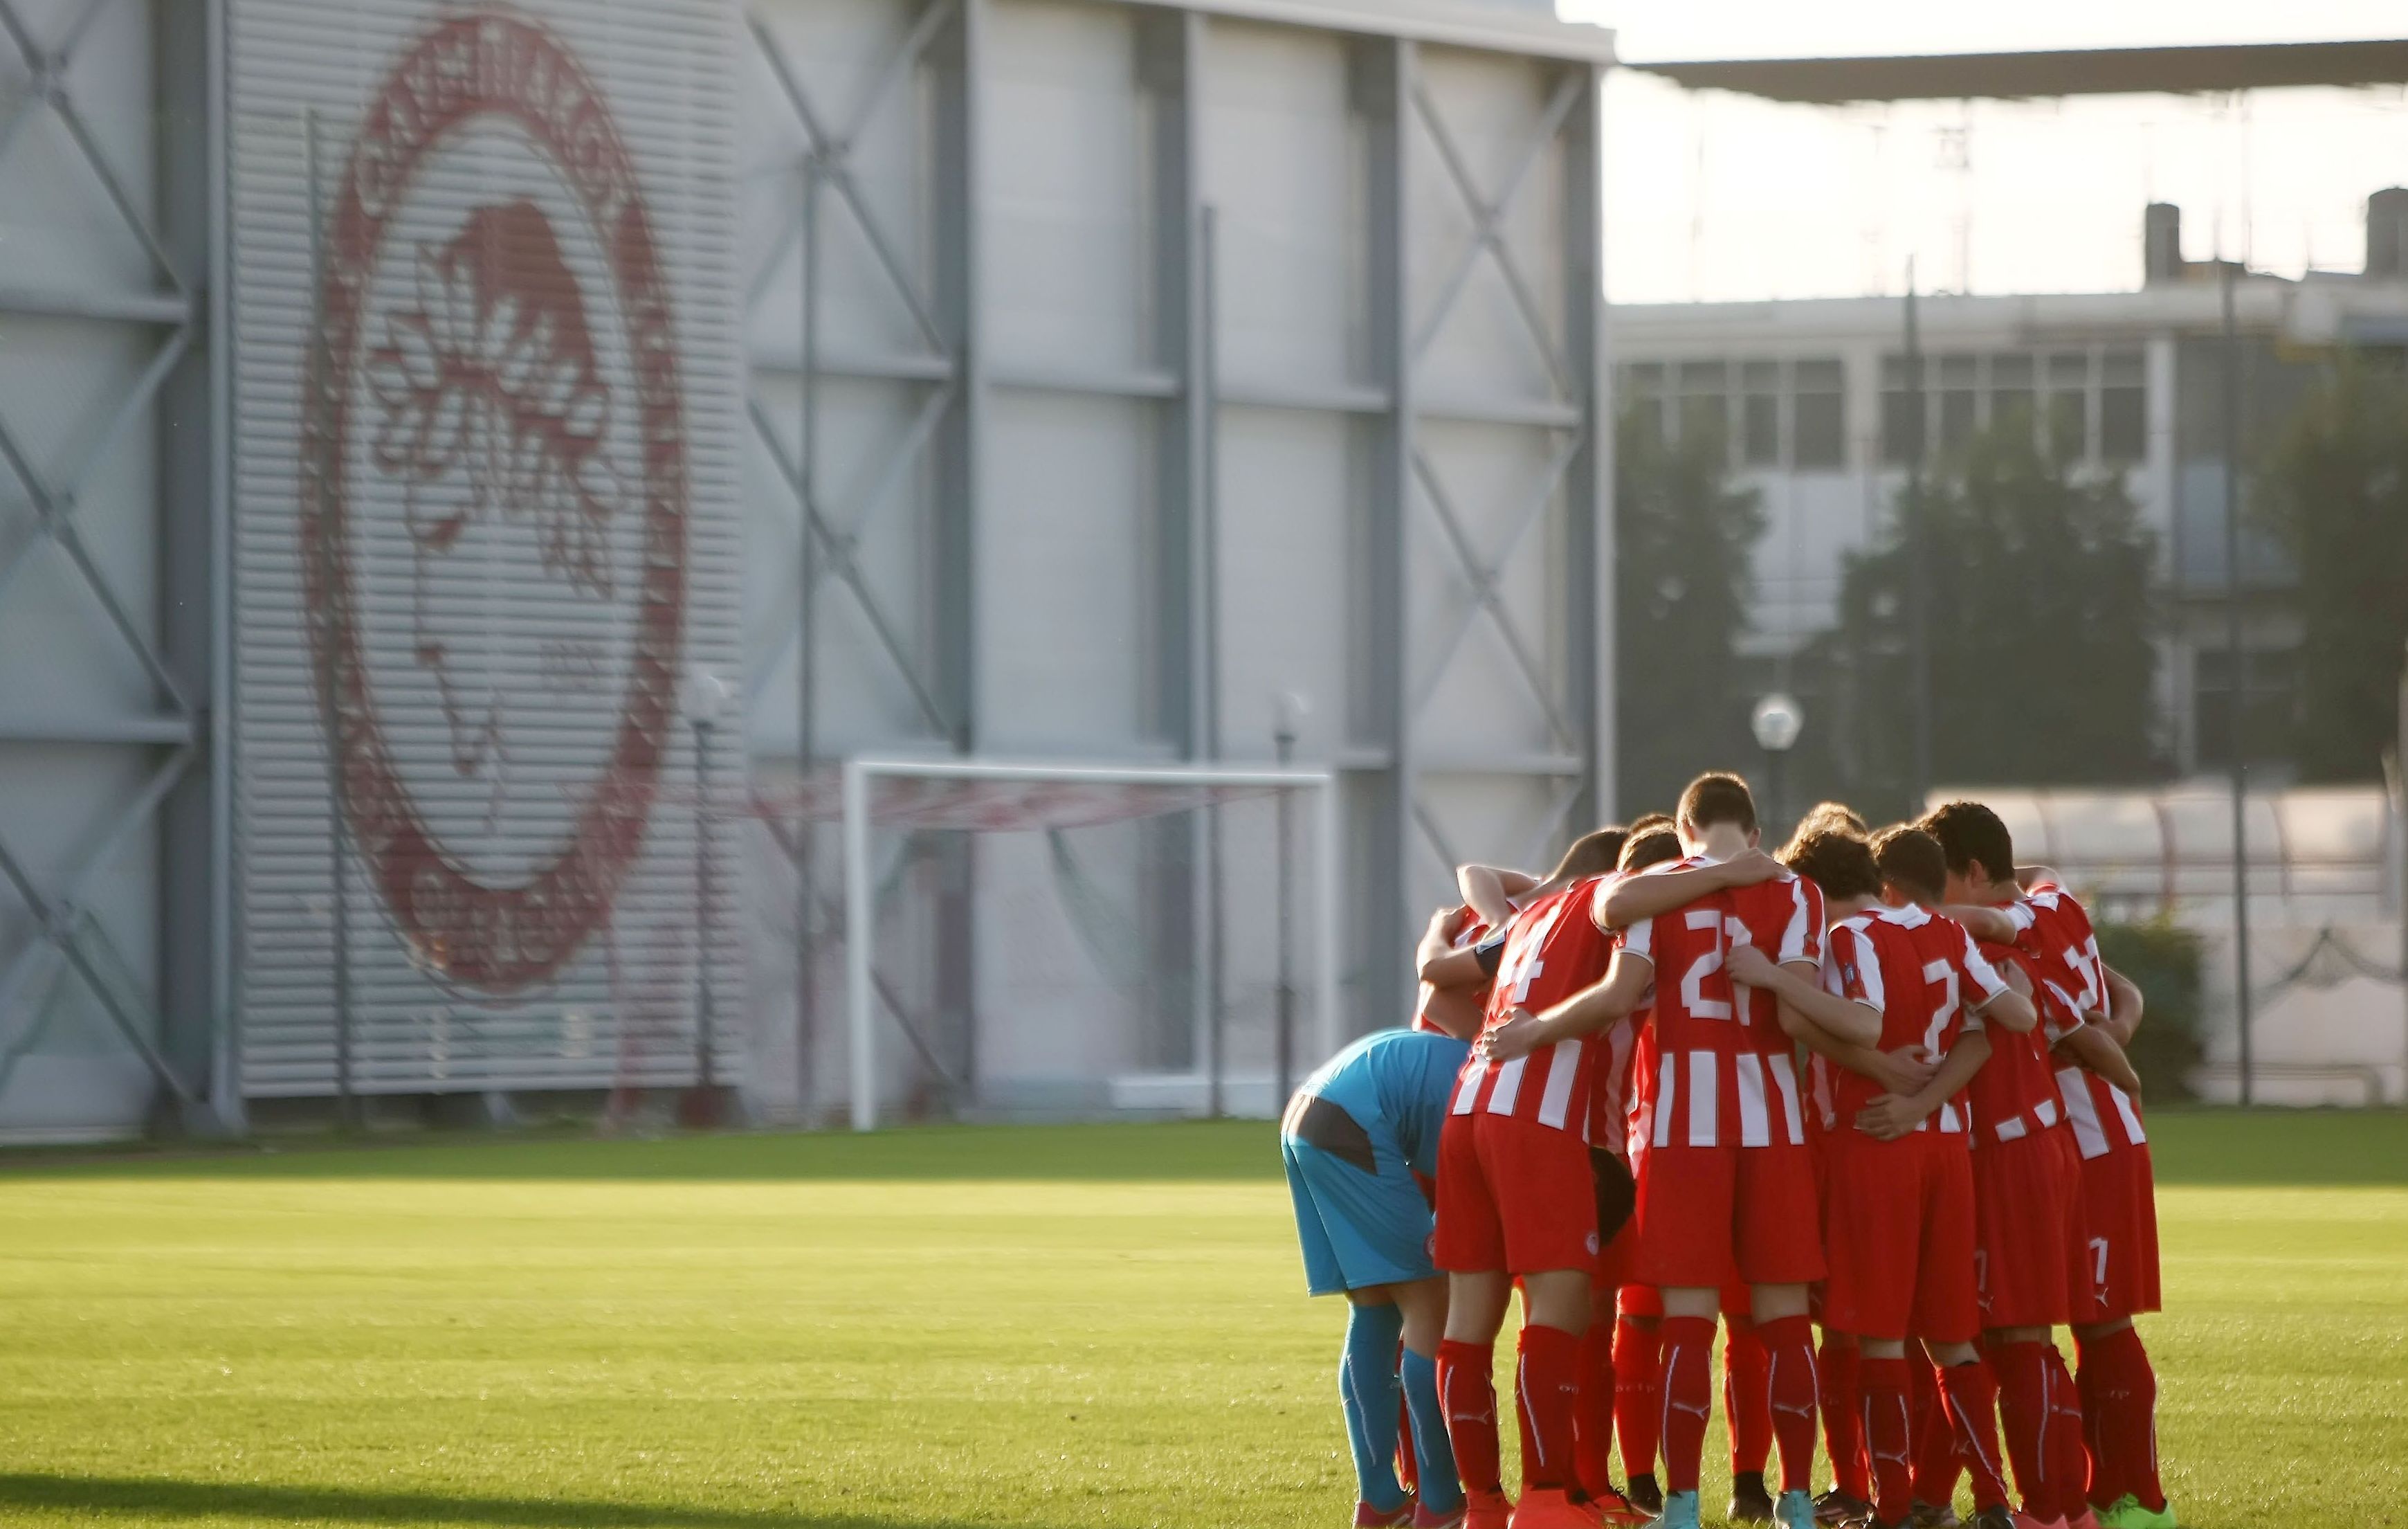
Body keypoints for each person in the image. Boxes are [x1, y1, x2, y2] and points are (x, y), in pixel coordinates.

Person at [1491, 775, 1830, 1529]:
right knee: (1780, 1318)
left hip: (1683, 1130)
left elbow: (1618, 992)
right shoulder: (1796, 893)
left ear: (1683, 828)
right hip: (1774, 1125)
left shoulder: (1658, 887)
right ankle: (1796, 1499)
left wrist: (1534, 1030)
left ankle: (1680, 1503)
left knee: (1686, 1319)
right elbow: (1802, 1007)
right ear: (1753, 823)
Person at [1736, 826, 2036, 1529]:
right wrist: (1926, 1099)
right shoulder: (1947, 934)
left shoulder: (1852, 937)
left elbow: (1865, 1026)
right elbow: (2009, 1019)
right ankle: (1992, 1500)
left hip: (1873, 1143)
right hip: (1944, 1147)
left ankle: (1894, 1506)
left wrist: (1775, 975)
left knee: (1876, 1337)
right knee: (1953, 1336)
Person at [1918, 803, 2171, 1529]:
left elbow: (1997, 924)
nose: (1937, 907)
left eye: (1943, 886)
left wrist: (2118, 1062)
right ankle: (2105, 1497)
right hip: (2095, 1134)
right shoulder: (2058, 900)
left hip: (2077, 1136)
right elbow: (2120, 992)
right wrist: (2116, 1030)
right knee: (2075, 1324)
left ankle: (2126, 1500)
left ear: (1972, 873)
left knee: (2073, 1324)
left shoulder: (2017, 933)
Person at [1434, 834, 1639, 1529]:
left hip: (1468, 1108)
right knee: (1558, 1309)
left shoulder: (1527, 915)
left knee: (1468, 1318)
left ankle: (1484, 1505)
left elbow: (1441, 983)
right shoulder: (1612, 901)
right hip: (1538, 1113)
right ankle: (1549, 1498)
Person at [1284, 1026, 1480, 1529]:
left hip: (1305, 1114)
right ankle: (1439, 1503)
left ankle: (1380, 1500)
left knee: (1373, 1305)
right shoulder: (1493, 1088)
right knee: (1428, 1300)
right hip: (1351, 1124)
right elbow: (1461, 1194)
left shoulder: (1469, 1059)